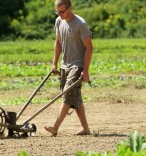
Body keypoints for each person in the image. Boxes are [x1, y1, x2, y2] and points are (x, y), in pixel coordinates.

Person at [44, 0, 93, 136]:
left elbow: (89, 47)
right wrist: (54, 63)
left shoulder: (80, 24)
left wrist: (86, 70)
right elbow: (58, 42)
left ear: (69, 9)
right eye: (57, 12)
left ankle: (55, 127)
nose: (59, 15)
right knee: (74, 97)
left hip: (77, 65)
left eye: (62, 12)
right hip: (65, 64)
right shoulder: (59, 21)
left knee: (67, 94)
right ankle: (86, 129)